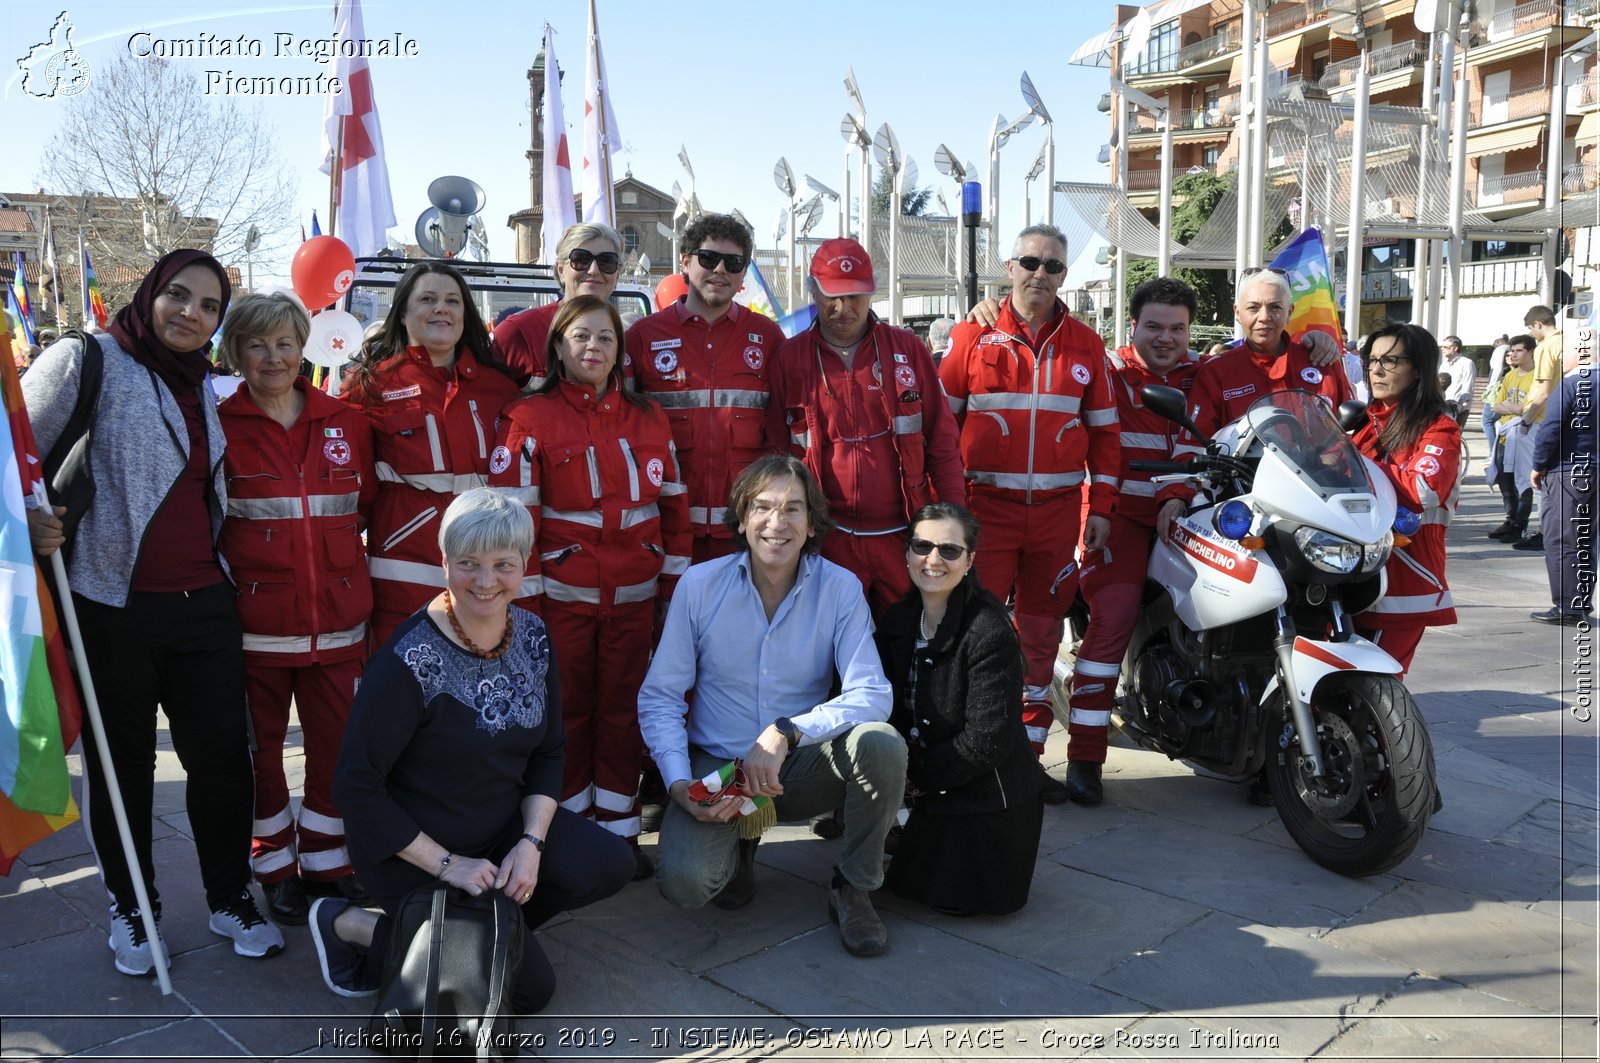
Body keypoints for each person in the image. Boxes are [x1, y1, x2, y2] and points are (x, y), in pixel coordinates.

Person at [24, 250, 282, 976]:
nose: (190, 313)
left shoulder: (208, 384)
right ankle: (133, 907)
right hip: (110, 604)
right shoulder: (87, 358)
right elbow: (14, 460)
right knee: (121, 765)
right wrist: (31, 520)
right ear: (150, 292)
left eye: (208, 305)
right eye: (178, 294)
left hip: (206, 604)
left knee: (224, 760)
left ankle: (231, 895)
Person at [316, 489, 635, 1004]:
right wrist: (449, 865)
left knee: (607, 863)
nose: (486, 582)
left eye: (502, 565)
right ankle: (349, 925)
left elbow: (549, 750)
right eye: (469, 564)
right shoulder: (407, 662)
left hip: (500, 831)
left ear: (524, 565)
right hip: (415, 852)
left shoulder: (533, 635)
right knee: (529, 992)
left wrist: (530, 846)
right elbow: (356, 789)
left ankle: (481, 932)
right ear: (444, 562)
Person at [637, 456, 905, 956]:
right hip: (720, 770)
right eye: (762, 507)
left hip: (795, 769)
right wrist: (677, 785)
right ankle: (740, 847)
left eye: (792, 509)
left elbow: (873, 693)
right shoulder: (700, 586)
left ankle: (855, 886)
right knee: (687, 884)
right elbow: (660, 697)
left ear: (811, 524)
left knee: (882, 744)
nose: (776, 523)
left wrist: (787, 732)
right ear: (741, 518)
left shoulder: (840, 588)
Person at [489, 295, 690, 877]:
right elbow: (513, 522)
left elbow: (674, 510)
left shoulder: (649, 418)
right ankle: (570, 835)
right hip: (560, 605)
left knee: (627, 713)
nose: (593, 347)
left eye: (605, 337)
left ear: (619, 351)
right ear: (558, 347)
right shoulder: (527, 418)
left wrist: (671, 591)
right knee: (567, 717)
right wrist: (520, 610)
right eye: (580, 337)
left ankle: (621, 834)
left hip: (634, 602)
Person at [940, 224, 1120, 804]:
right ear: (1009, 267)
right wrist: (946, 512)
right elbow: (940, 433)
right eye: (1030, 262)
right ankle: (968, 760)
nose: (1040, 274)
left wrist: (1103, 508)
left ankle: (1026, 761)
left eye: (1053, 266)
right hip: (983, 515)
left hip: (1057, 517)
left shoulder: (1087, 345)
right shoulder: (972, 336)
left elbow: (1106, 439)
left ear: (1065, 274)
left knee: (1040, 638)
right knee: (974, 633)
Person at [216, 292, 377, 925]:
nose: (273, 357)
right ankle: (275, 866)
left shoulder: (345, 420)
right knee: (260, 755)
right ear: (236, 353)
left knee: (337, 749)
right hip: (257, 629)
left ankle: (329, 862)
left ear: (303, 346)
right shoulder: (218, 426)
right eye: (257, 344)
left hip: (339, 625)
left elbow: (362, 509)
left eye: (285, 342)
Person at [1062, 278, 1205, 806]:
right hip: (1115, 515)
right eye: (1154, 327)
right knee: (1114, 617)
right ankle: (1084, 755)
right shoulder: (1107, 371)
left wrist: (1315, 344)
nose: (1166, 338)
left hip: (1190, 514)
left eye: (1177, 328)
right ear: (1133, 325)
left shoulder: (1204, 374)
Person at [766, 238, 964, 617]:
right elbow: (773, 457)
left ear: (872, 293)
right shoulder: (788, 360)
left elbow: (942, 442)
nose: (843, 308)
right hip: (827, 542)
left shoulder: (908, 351)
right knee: (830, 654)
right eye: (831, 296)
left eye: (855, 296)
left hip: (903, 538)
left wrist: (954, 521)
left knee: (905, 648)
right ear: (812, 291)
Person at [341, 261, 523, 645]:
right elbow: (357, 487)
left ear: (464, 314)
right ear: (404, 312)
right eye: (428, 299)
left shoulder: (501, 386)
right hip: (401, 571)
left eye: (452, 301)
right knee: (405, 687)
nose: (442, 308)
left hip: (483, 574)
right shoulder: (371, 384)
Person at [875, 502, 1042, 915]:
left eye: (949, 550)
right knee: (907, 885)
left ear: (969, 561)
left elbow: (986, 740)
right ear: (907, 553)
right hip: (931, 781)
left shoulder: (988, 630)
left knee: (958, 899)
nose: (933, 559)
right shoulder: (897, 620)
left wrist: (917, 780)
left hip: (988, 791)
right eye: (922, 546)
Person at [625, 212, 785, 563]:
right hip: (665, 529)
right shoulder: (642, 337)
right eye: (709, 258)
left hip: (745, 531)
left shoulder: (769, 337)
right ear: (685, 261)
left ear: (745, 271)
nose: (720, 270)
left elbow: (780, 433)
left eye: (733, 262)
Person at [1350, 323, 1460, 672]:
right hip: (1354, 572)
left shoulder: (1439, 427)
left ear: (1418, 371)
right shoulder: (1368, 422)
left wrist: (1354, 463)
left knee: (1374, 691)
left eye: (1392, 360)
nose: (1377, 370)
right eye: (1372, 360)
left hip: (1405, 576)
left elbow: (1423, 489)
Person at [1175, 266, 1353, 459]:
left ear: (1290, 312)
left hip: (1324, 485)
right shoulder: (1216, 372)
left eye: (1275, 307)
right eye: (1253, 308)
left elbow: (1353, 431)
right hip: (1245, 487)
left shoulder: (1322, 361)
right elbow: (1192, 449)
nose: (1264, 317)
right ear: (1237, 312)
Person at [492, 222, 625, 388]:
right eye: (581, 259)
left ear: (617, 274)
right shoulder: (519, 332)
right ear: (561, 270)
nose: (593, 270)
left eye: (607, 261)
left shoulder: (628, 335)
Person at [1529, 345, 1596, 624]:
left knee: (1562, 537)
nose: (1561, 359)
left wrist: (1538, 464)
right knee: (1587, 539)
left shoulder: (1570, 384)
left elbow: (1551, 427)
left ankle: (1568, 606)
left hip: (1569, 470)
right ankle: (1581, 602)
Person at [1513, 305, 1568, 552]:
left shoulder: (1546, 346)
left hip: (1541, 419)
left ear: (1537, 324)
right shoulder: (1569, 341)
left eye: (1530, 329)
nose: (1532, 335)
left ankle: (1545, 532)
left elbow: (1543, 390)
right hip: (1564, 416)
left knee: (1537, 478)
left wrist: (1526, 420)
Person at [1486, 335, 1537, 543]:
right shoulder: (1510, 375)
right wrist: (1515, 408)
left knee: (1523, 482)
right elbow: (1496, 406)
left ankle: (1520, 524)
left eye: (1518, 351)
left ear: (1531, 352)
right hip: (1506, 433)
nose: (1513, 354)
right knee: (1504, 480)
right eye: (1511, 351)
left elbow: (1529, 408)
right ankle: (1511, 518)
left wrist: (1514, 408)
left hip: (1525, 434)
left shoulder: (1537, 376)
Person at [1440, 335, 1475, 429]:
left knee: (1455, 437)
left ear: (1455, 348)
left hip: (1458, 408)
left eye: (1445, 347)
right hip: (1443, 407)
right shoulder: (1444, 365)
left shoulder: (1467, 363)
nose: (1442, 349)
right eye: (1441, 347)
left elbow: (1468, 386)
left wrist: (1460, 407)